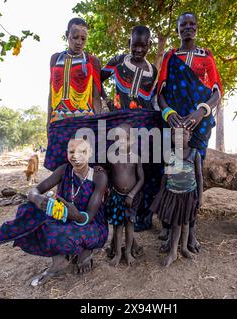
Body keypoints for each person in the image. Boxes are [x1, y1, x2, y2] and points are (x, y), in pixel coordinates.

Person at [0, 137, 108, 286]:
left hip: (91, 224)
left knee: (64, 234)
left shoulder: (99, 176)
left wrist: (75, 214)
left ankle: (85, 252)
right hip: (64, 218)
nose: (76, 156)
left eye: (82, 152)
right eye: (72, 152)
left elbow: (89, 217)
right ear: (66, 153)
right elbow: (34, 191)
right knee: (29, 211)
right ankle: (60, 260)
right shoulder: (64, 170)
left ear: (90, 153)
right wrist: (37, 198)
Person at [156, 12, 223, 253]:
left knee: (192, 177)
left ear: (197, 27)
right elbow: (160, 93)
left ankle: (190, 230)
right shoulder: (170, 57)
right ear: (177, 29)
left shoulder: (207, 56)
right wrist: (168, 113)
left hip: (199, 124)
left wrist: (201, 112)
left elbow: (216, 92)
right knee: (171, 173)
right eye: (182, 24)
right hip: (173, 125)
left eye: (191, 24)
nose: (187, 27)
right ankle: (169, 226)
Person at [101, 25, 162, 233]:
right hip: (119, 127)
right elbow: (98, 80)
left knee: (143, 171)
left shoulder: (152, 71)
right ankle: (115, 213)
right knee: (116, 170)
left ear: (149, 45)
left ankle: (141, 216)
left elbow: (153, 99)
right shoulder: (118, 62)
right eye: (134, 45)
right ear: (129, 42)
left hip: (144, 131)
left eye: (142, 46)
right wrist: (108, 102)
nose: (138, 49)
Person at [44, 17, 102, 171]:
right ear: (66, 35)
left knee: (82, 166)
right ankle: (61, 196)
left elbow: (96, 97)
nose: (79, 42)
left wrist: (97, 125)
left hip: (84, 122)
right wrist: (48, 122)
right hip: (58, 122)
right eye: (75, 37)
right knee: (60, 167)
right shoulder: (55, 59)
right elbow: (51, 93)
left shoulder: (92, 62)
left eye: (83, 38)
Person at [150, 128, 203, 267]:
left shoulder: (194, 154)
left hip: (189, 194)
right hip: (173, 193)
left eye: (183, 134)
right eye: (175, 134)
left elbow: (199, 176)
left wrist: (200, 197)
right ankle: (173, 252)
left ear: (190, 136)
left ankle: (184, 248)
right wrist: (161, 192)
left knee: (186, 222)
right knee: (176, 223)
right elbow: (166, 174)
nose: (179, 137)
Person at [105, 124, 144, 266]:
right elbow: (106, 174)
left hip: (131, 198)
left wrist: (132, 194)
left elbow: (141, 179)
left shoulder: (136, 157)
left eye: (126, 138)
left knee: (129, 225)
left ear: (132, 140)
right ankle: (118, 253)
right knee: (117, 226)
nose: (122, 141)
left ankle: (128, 252)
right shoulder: (111, 157)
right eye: (118, 138)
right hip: (116, 197)